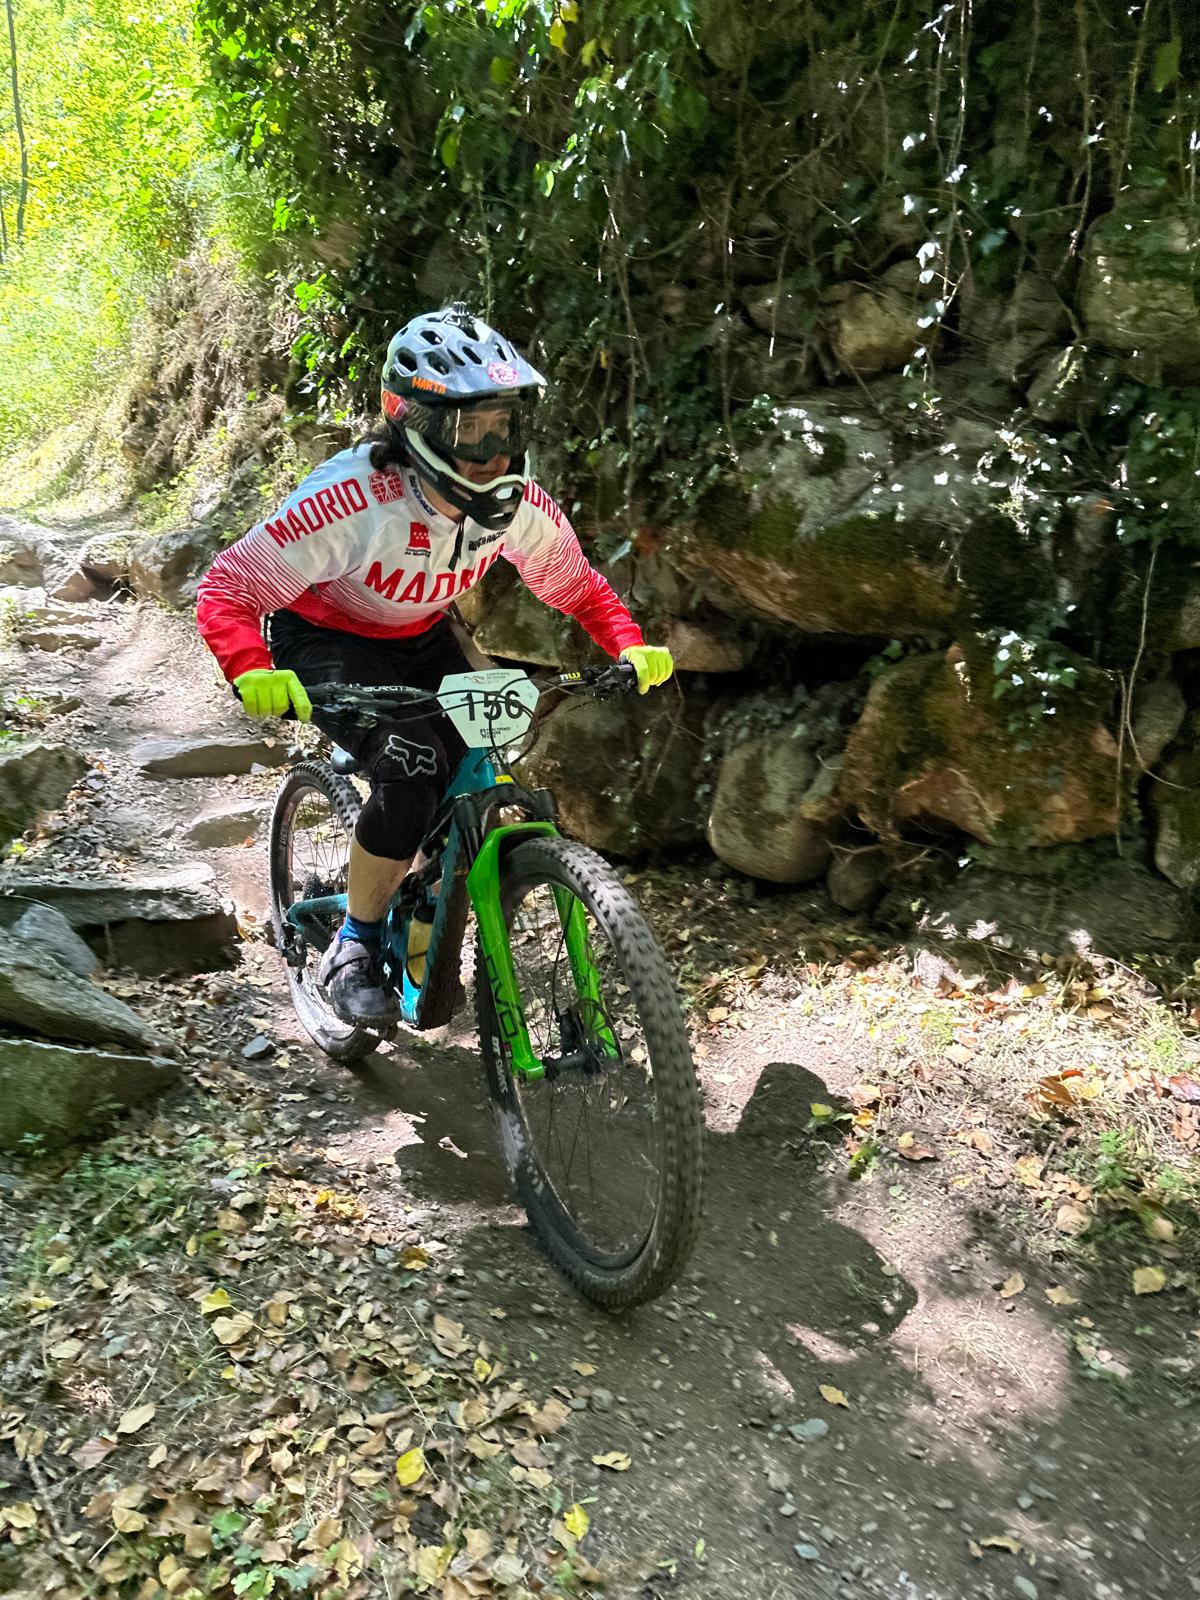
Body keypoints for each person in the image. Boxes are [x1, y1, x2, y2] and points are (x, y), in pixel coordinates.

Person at [196, 303, 674, 1027]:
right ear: (414, 424)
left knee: (478, 755)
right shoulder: (351, 498)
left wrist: (626, 642)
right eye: (469, 429)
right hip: (325, 637)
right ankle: (352, 945)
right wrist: (250, 665)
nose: (493, 452)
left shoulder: (517, 506)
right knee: (412, 761)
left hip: (421, 634)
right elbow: (229, 587)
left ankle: (416, 891)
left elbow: (574, 585)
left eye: (507, 425)